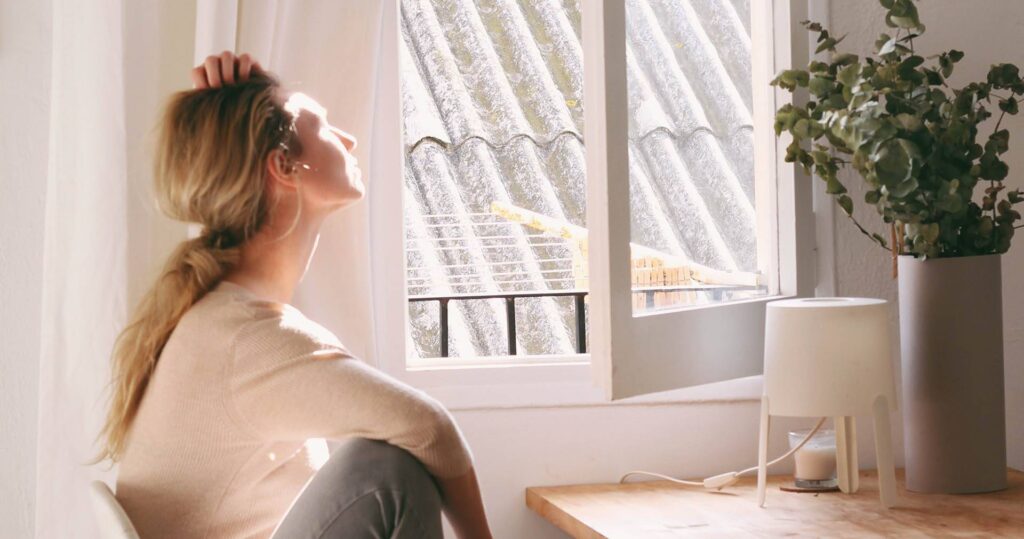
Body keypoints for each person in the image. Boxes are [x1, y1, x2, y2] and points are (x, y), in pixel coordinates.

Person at [91, 51, 493, 539]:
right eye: (323, 127)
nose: (349, 138)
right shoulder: (246, 338)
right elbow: (430, 428)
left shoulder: (224, 318)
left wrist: (245, 98)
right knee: (384, 472)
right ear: (284, 166)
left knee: (377, 459)